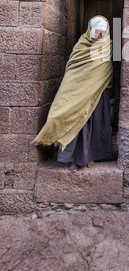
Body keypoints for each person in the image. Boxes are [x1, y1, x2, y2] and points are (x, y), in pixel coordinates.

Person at [33, 15, 113, 172]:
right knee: (73, 119)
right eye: (97, 32)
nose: (99, 36)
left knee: (94, 125)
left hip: (97, 93)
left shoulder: (108, 47)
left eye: (102, 33)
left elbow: (106, 70)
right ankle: (73, 159)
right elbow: (73, 70)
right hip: (76, 93)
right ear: (90, 30)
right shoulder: (81, 46)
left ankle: (92, 157)